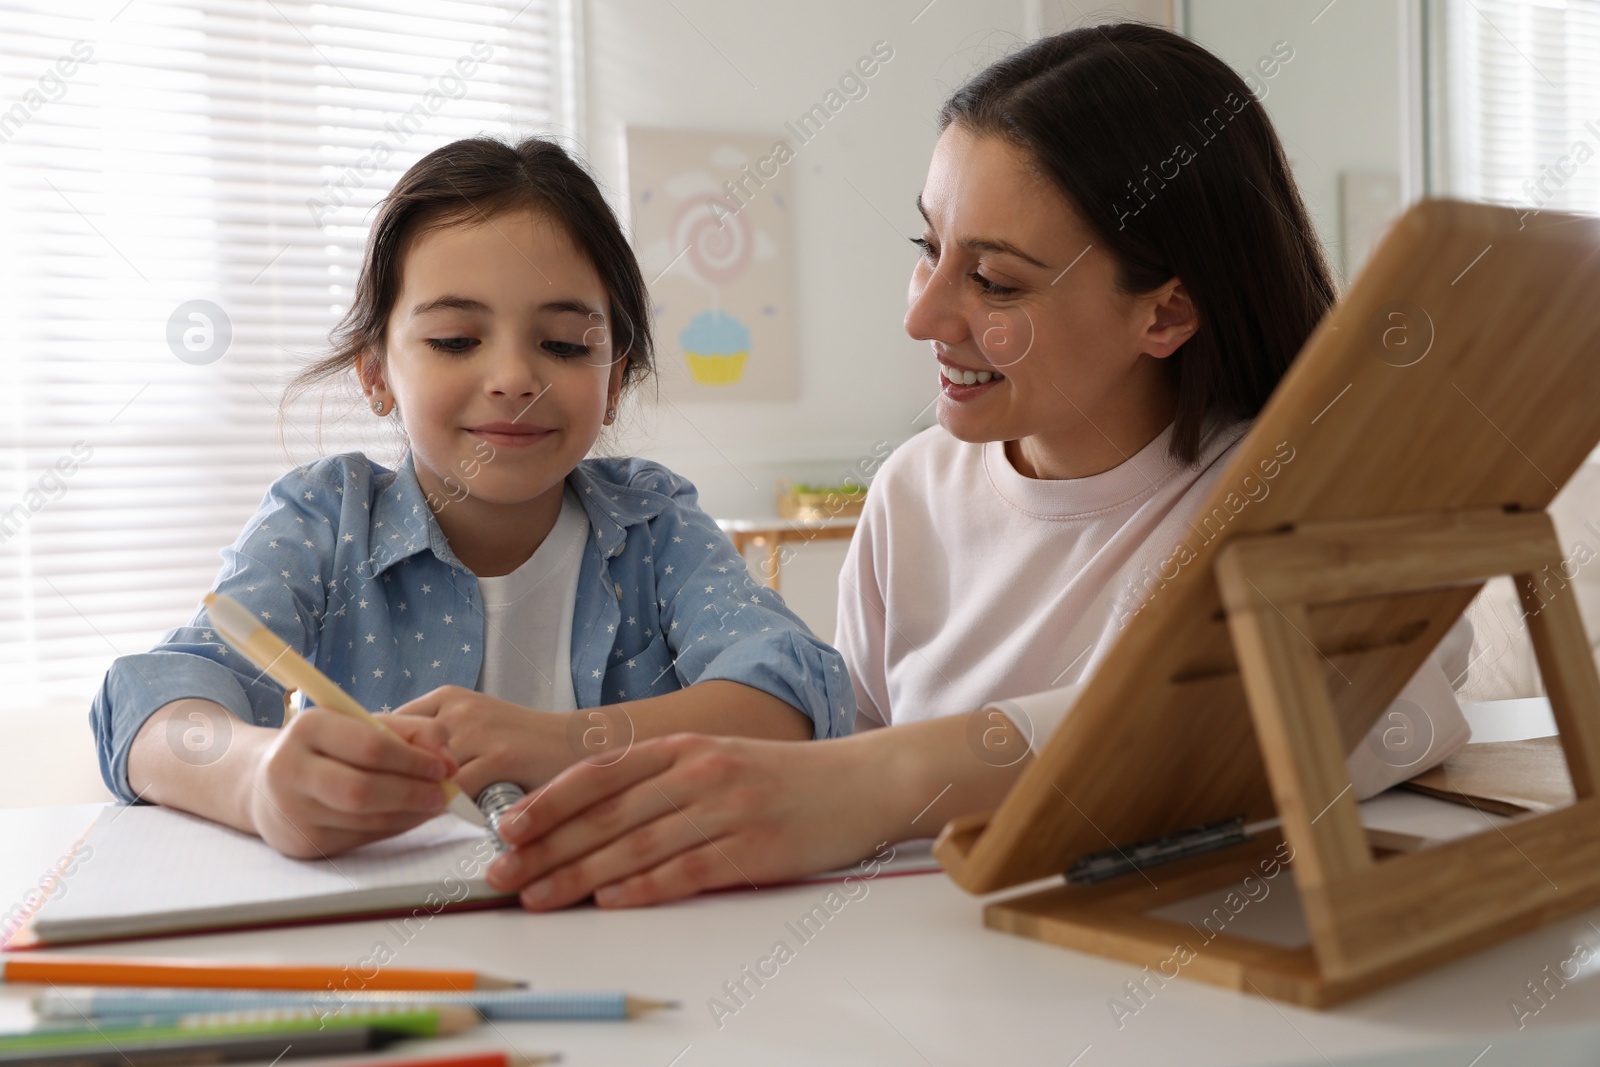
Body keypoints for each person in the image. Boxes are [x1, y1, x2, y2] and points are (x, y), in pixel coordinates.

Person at [478, 23, 1473, 911]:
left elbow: (1390, 705)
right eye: (930, 246)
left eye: (993, 279)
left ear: (1165, 311)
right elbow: (836, 765)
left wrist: (895, 779)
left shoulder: (1288, 484)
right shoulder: (915, 492)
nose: (920, 315)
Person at [89, 137, 854, 859]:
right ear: (376, 373)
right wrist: (257, 781)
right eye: (456, 339)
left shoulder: (653, 523)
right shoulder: (326, 520)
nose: (515, 376)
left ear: (614, 379)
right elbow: (152, 706)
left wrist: (559, 741)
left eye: (563, 344)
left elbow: (789, 695)